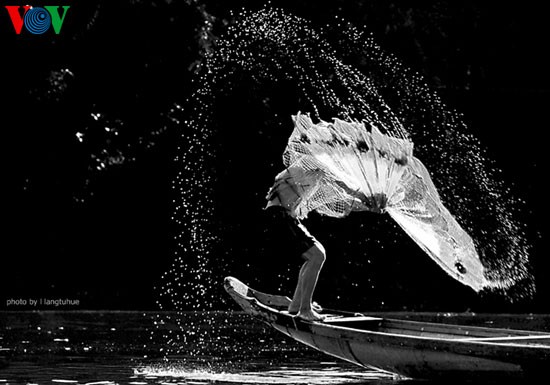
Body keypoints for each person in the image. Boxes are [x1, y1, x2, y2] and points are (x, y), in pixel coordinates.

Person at [265, 166, 382, 321]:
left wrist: (370, 206)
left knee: (316, 256)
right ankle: (305, 310)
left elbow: (345, 202)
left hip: (285, 218)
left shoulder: (315, 174)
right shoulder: (307, 167)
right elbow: (344, 187)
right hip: (278, 216)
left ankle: (297, 305)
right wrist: (369, 198)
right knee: (316, 256)